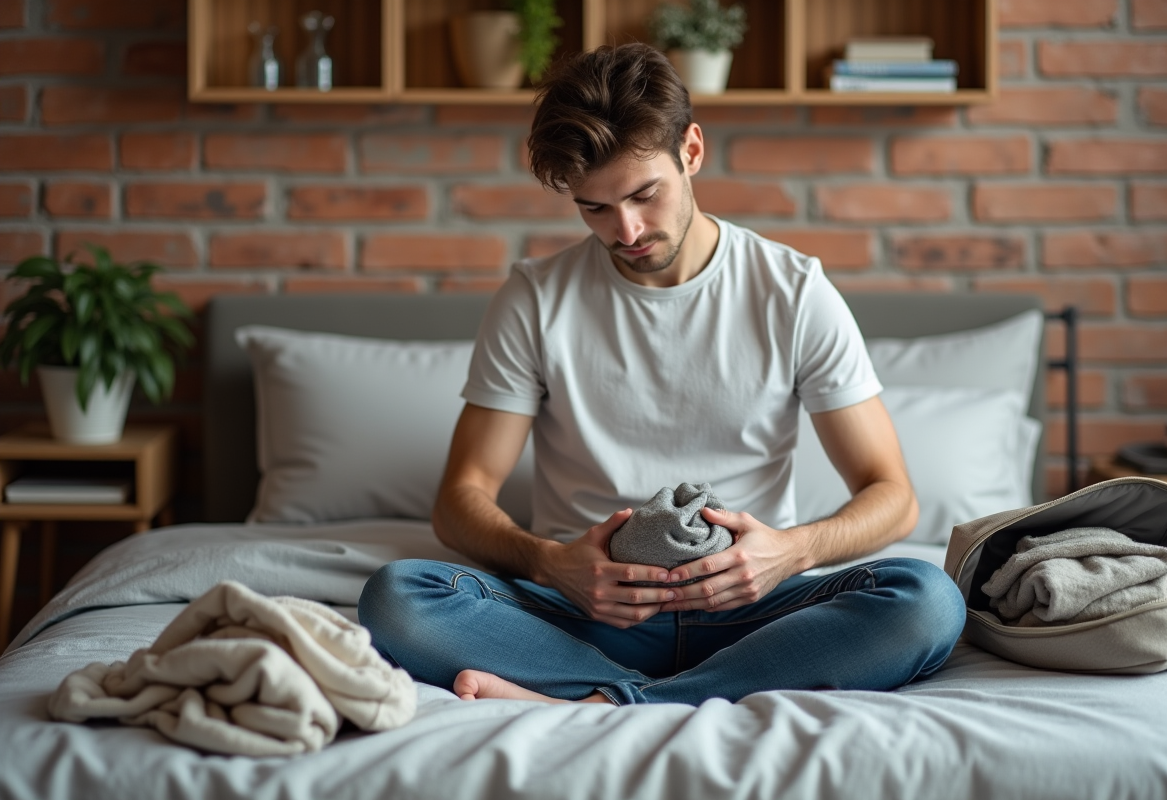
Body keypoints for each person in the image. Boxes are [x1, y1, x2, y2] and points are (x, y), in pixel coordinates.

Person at [358, 43, 966, 707]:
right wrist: (550, 563)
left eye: (645, 194)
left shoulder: (792, 291)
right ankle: (669, 693)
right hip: (589, 613)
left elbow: (892, 495)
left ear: (692, 151)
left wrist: (792, 553)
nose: (626, 230)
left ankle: (609, 702)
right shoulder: (535, 297)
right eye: (594, 208)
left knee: (927, 601)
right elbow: (461, 497)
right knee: (396, 599)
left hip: (753, 612)